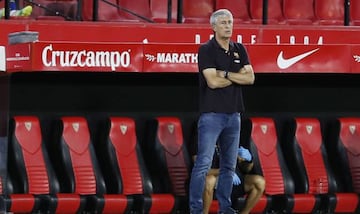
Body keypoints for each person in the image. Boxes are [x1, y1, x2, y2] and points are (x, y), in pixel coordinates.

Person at [188, 8, 255, 214]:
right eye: (224, 23)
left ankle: (226, 208)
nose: (228, 26)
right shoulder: (206, 49)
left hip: (234, 115)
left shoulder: (239, 48)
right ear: (214, 26)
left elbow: (250, 78)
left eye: (230, 22)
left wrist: (225, 73)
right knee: (203, 165)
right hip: (212, 115)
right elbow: (213, 82)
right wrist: (236, 76)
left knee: (229, 166)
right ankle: (196, 209)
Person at [191, 141, 265, 214]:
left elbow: (246, 169)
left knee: (259, 182)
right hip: (213, 186)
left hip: (234, 183)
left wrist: (249, 160)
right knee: (209, 180)